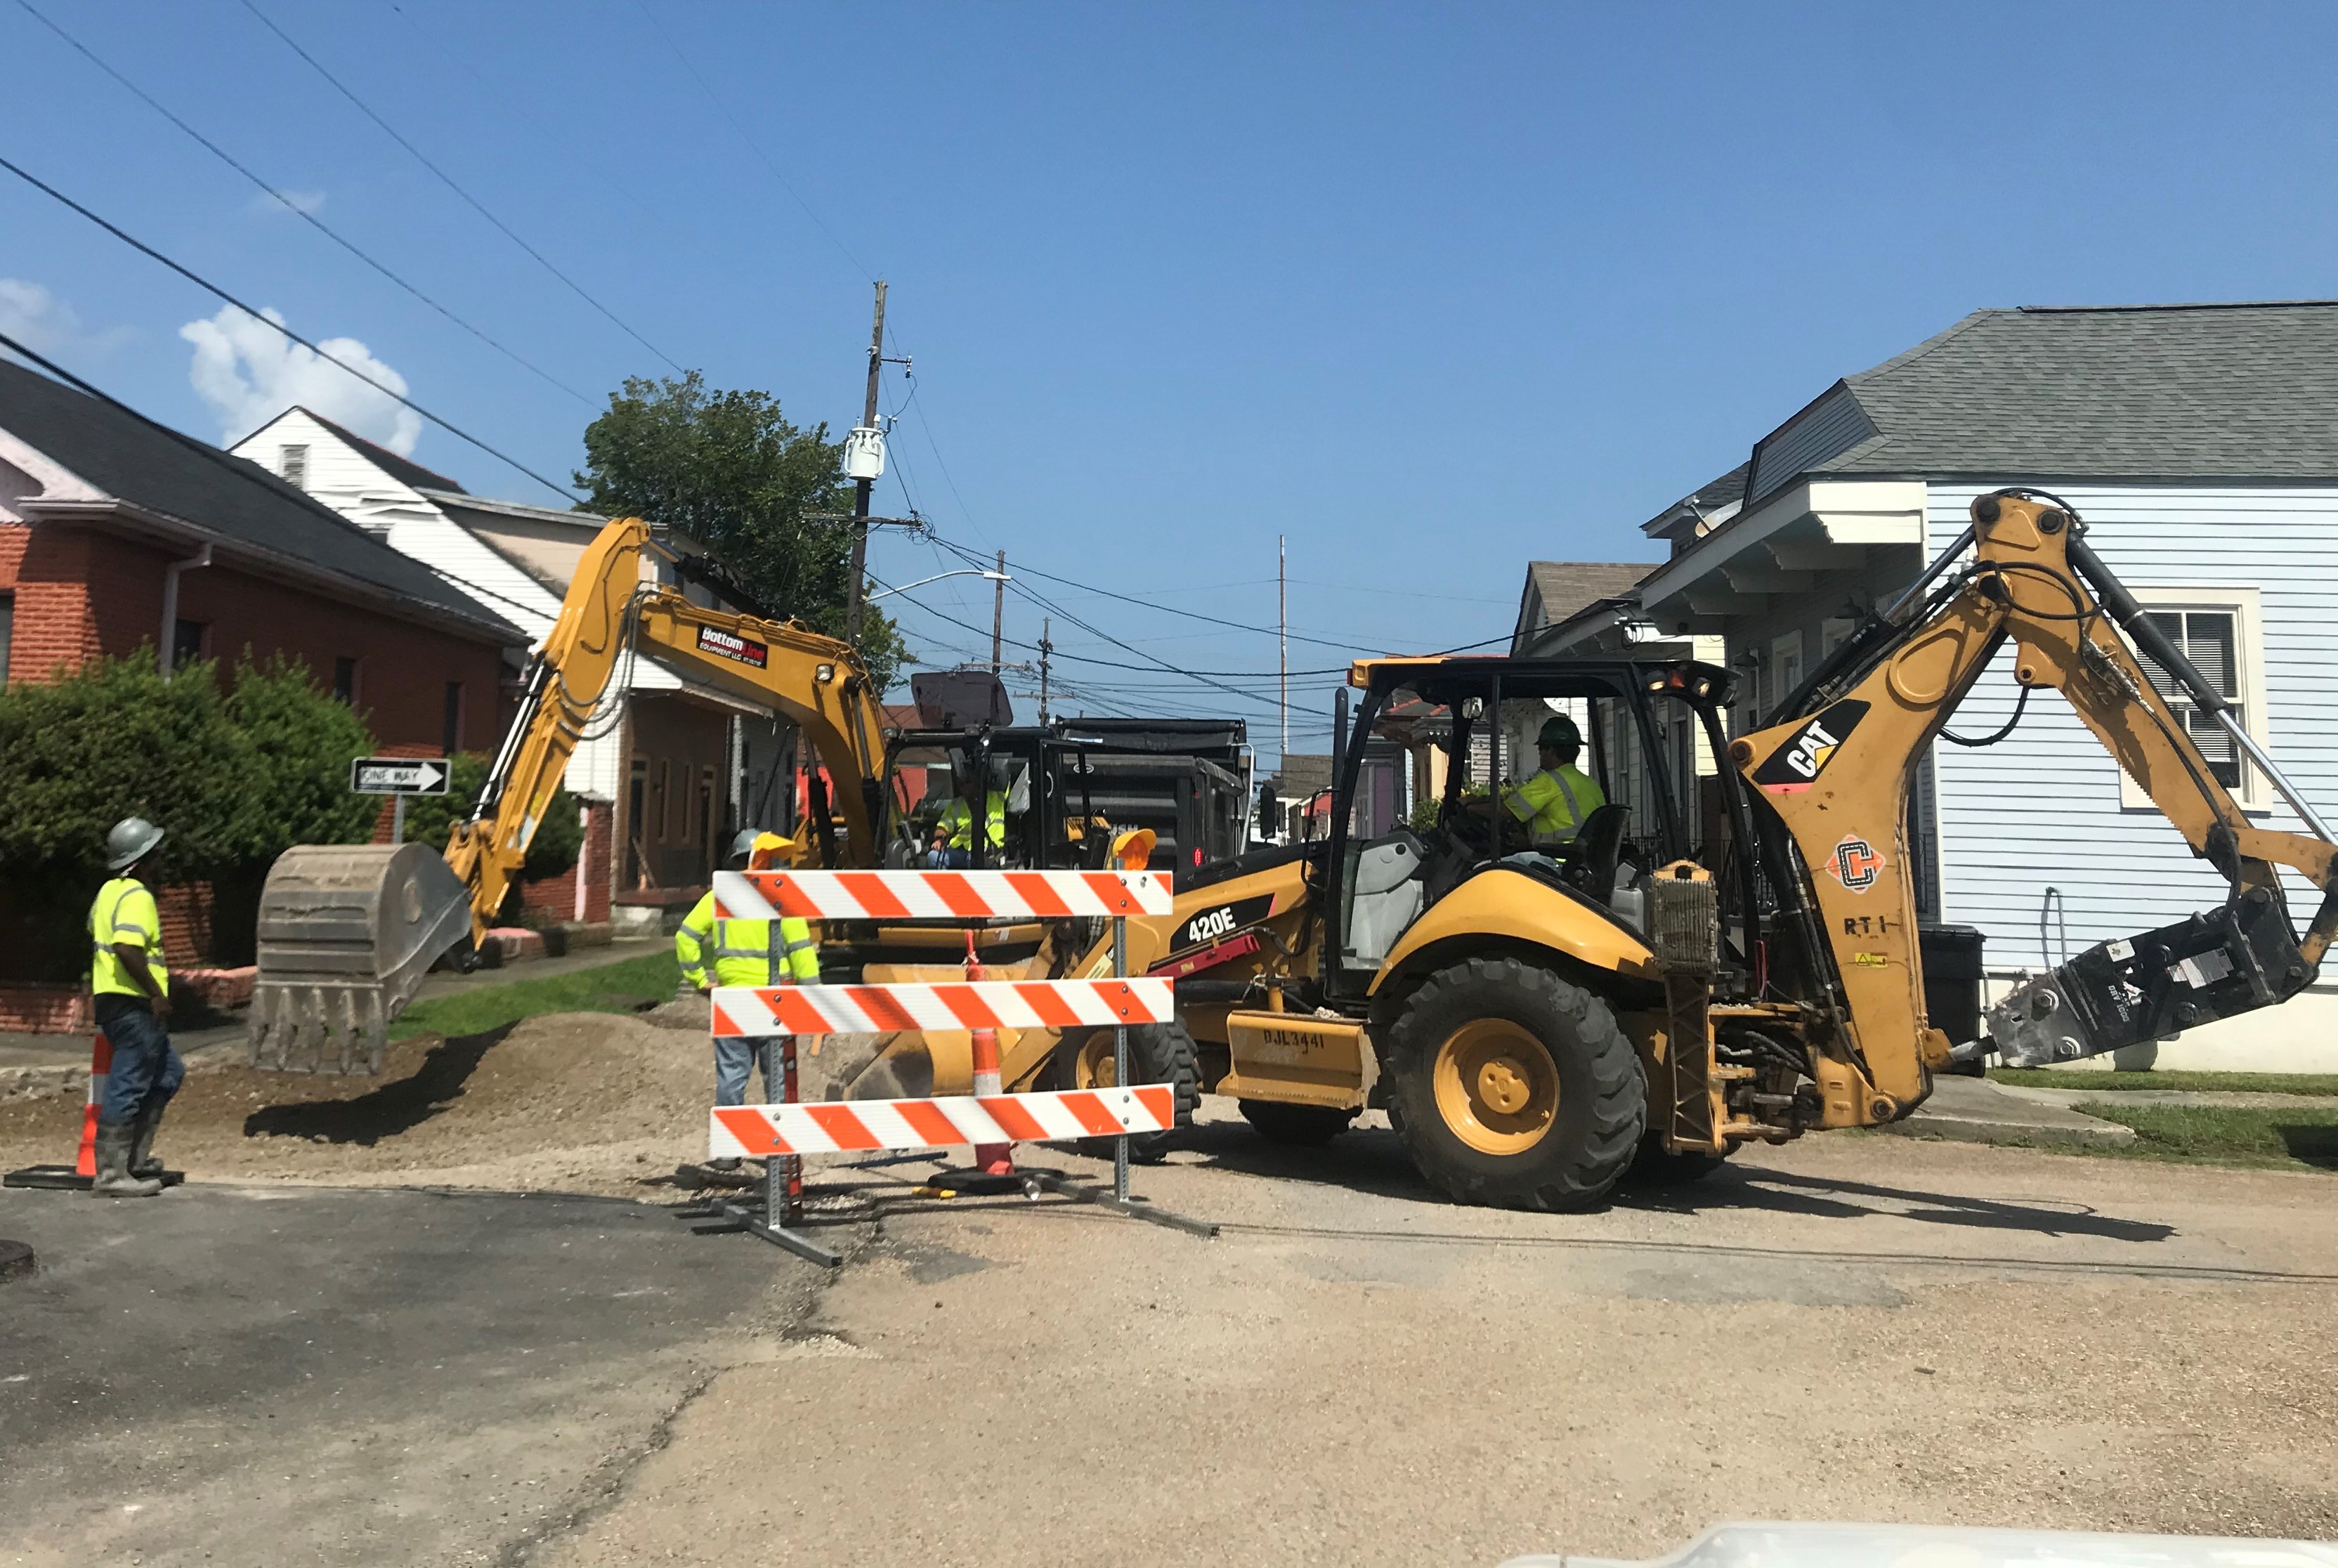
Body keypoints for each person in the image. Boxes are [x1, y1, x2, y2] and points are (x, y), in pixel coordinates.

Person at [674, 829, 820, 1170]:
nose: (771, 867)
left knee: (731, 1077)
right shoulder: (781, 898)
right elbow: (801, 952)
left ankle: (727, 1154)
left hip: (732, 1001)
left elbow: (685, 937)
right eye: (767, 861)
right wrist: (813, 1000)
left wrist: (699, 981)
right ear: (757, 861)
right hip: (776, 1002)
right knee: (778, 1080)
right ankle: (780, 1156)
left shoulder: (718, 899)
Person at [87, 816, 181, 1197]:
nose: (160, 861)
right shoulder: (138, 896)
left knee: (169, 1072)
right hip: (133, 1004)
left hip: (113, 1001)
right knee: (128, 1083)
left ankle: (133, 1160)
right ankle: (112, 1174)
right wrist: (156, 994)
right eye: (155, 854)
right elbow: (127, 947)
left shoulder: (107, 892)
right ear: (141, 860)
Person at [1501, 714, 1607, 850]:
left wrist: (1469, 806)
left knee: (1487, 867)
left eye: (1541, 749)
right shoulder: (1590, 783)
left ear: (1550, 750)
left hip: (1557, 859)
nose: (1540, 755)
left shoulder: (1548, 782)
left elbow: (1504, 813)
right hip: (1584, 859)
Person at [927, 774, 1007, 868]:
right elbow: (943, 826)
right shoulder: (957, 804)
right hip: (960, 852)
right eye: (961, 784)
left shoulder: (997, 797)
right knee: (933, 857)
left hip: (989, 852)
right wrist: (939, 840)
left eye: (968, 782)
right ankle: (945, 883)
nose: (964, 787)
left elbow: (1008, 779)